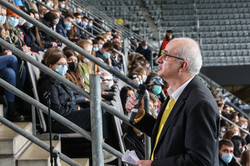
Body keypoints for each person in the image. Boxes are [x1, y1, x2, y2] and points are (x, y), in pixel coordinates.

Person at [126, 38, 220, 166]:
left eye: (165, 56)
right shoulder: (178, 92)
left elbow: (200, 161)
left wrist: (153, 165)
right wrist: (140, 115)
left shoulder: (200, 103)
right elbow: (168, 135)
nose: (158, 60)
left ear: (183, 65)